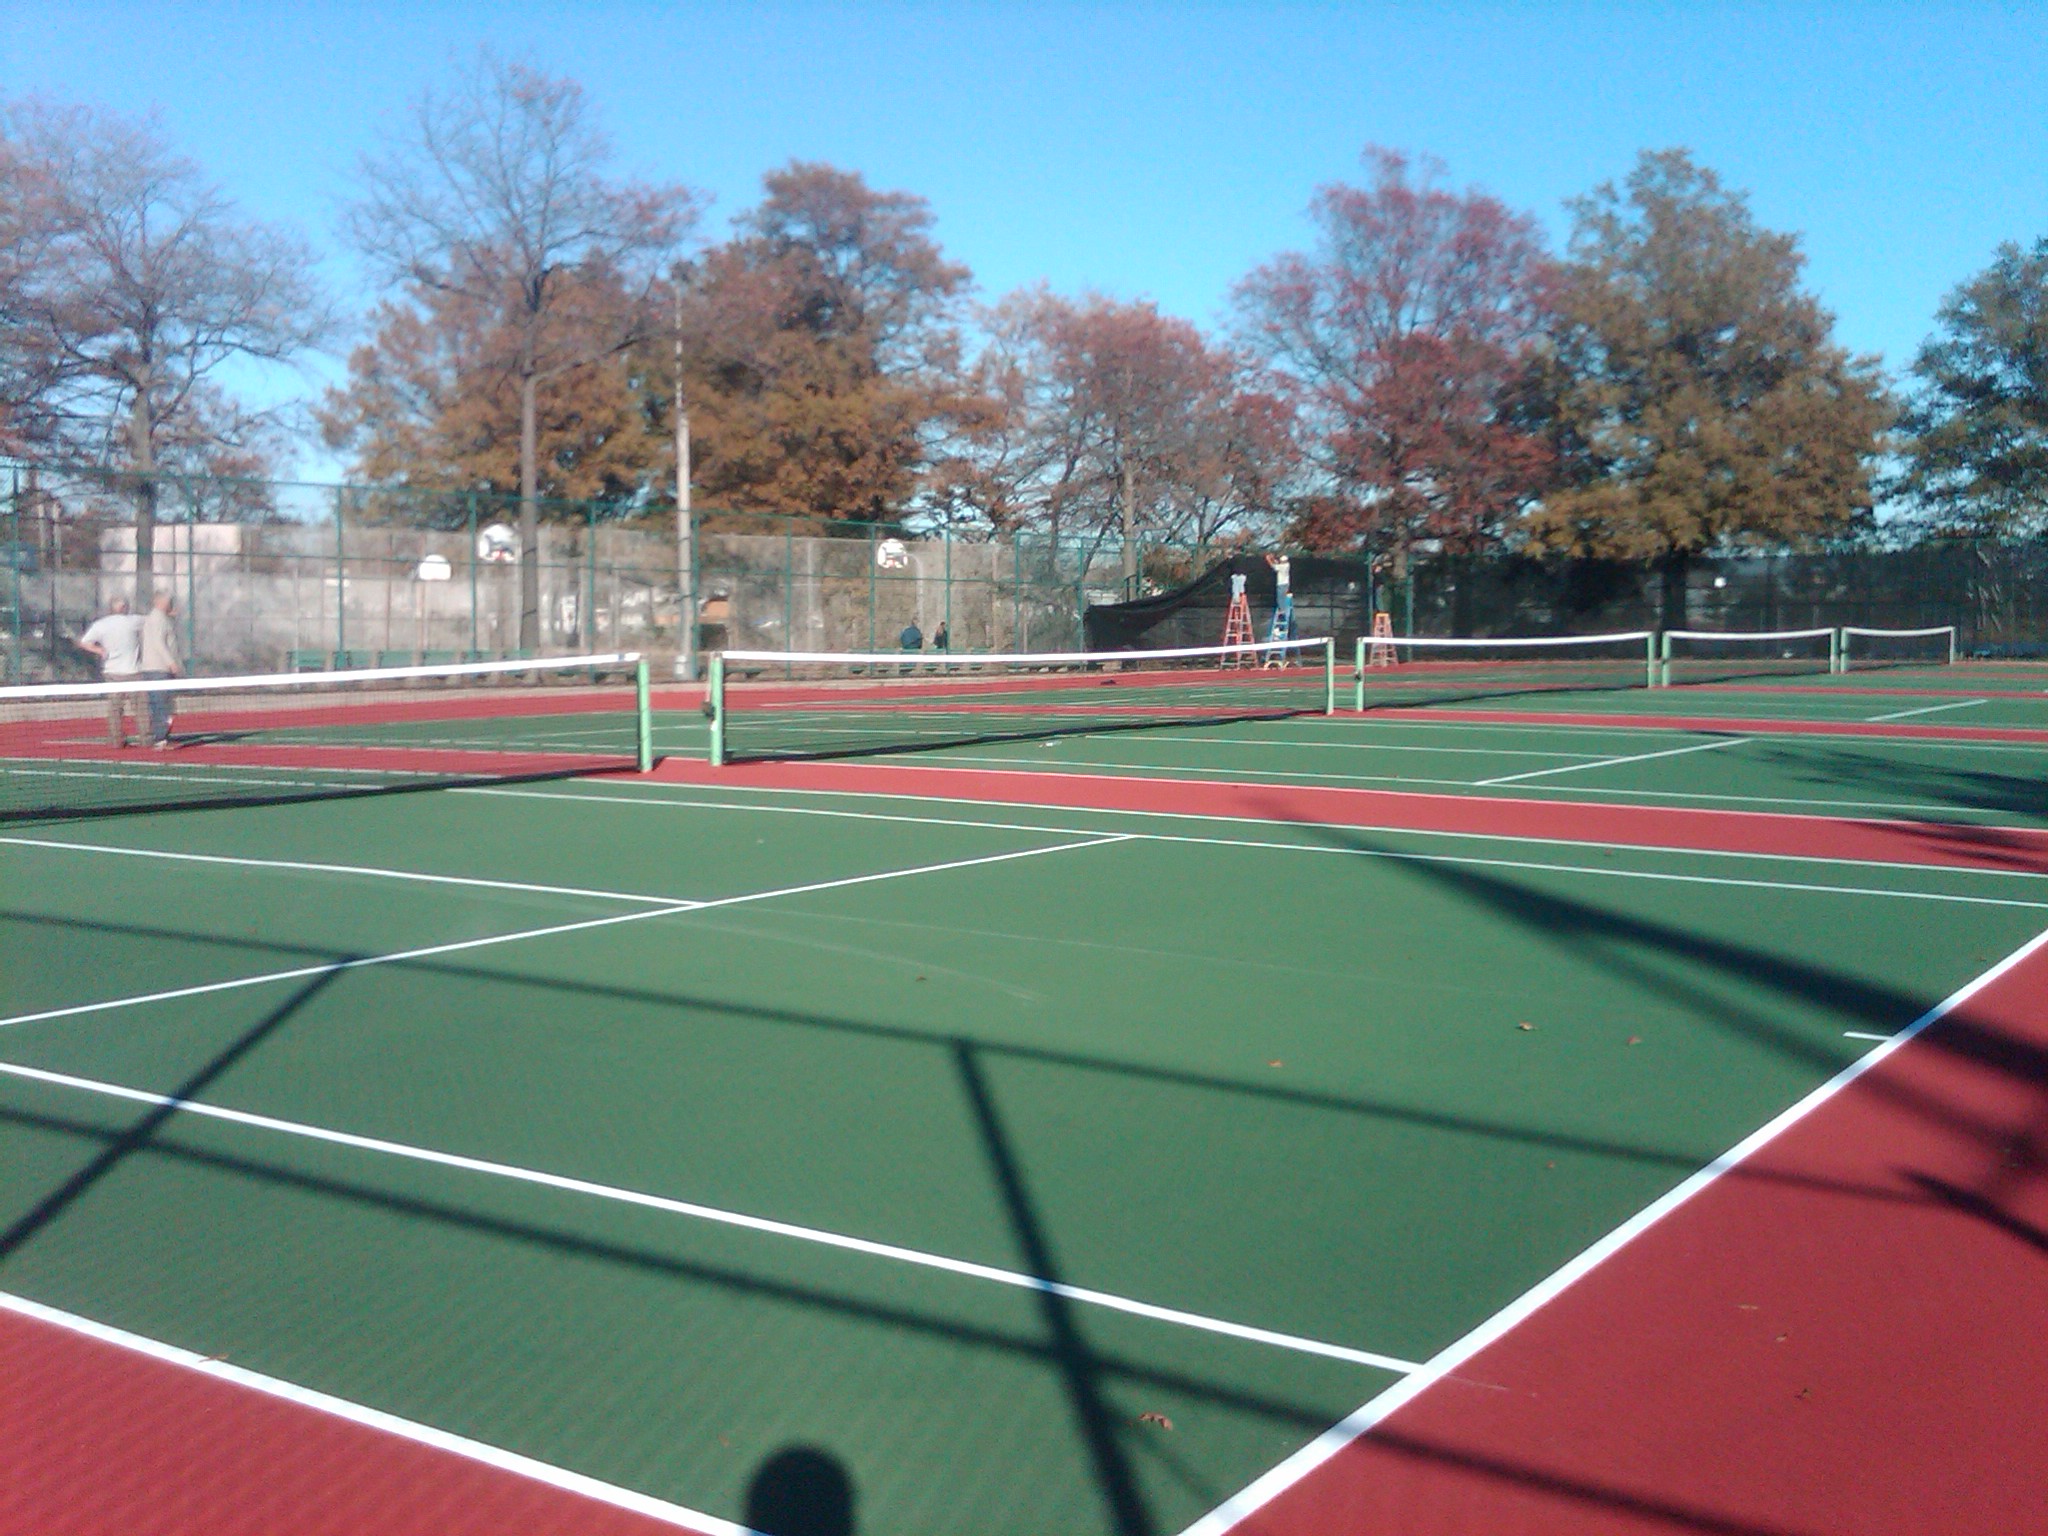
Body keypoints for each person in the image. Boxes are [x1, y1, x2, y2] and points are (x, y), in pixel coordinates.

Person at [75, 596, 145, 747]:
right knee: (140, 708)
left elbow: (83, 642)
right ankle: (146, 738)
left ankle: (115, 740)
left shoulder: (100, 625)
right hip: (132, 672)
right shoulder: (134, 621)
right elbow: (150, 622)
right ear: (125, 607)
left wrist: (99, 650)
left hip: (112, 673)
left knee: (115, 709)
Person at [137, 590, 185, 749]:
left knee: (164, 704)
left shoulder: (162, 618)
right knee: (159, 704)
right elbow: (159, 643)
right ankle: (160, 739)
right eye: (168, 601)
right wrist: (171, 662)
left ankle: (162, 736)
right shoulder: (156, 619)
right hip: (157, 669)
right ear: (159, 601)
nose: (170, 603)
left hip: (161, 669)